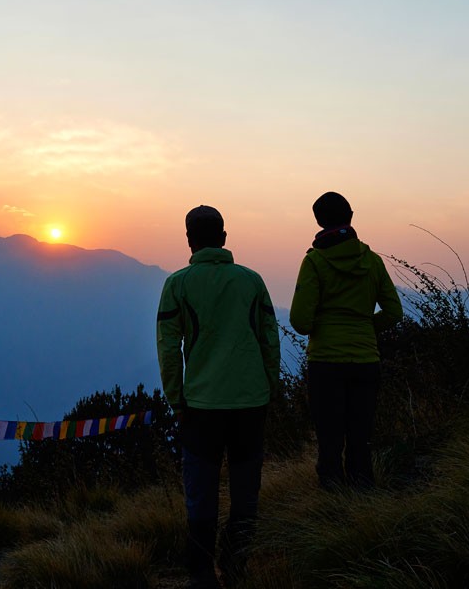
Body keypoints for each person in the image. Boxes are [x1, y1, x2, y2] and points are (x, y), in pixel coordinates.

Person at [157, 205, 280, 588]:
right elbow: (269, 340)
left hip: (201, 407)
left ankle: (201, 573)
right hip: (250, 403)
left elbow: (167, 348)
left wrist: (177, 400)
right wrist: (268, 389)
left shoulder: (178, 284)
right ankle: (236, 565)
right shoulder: (252, 281)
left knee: (201, 492)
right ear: (224, 238)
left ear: (190, 240)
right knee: (246, 492)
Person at [289, 192, 403, 490]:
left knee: (329, 441)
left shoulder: (314, 262)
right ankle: (363, 503)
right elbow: (393, 312)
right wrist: (365, 327)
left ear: (317, 220)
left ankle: (332, 508)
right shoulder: (373, 261)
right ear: (351, 216)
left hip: (326, 363)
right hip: (366, 362)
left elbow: (300, 322)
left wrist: (325, 328)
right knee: (360, 438)